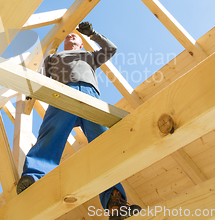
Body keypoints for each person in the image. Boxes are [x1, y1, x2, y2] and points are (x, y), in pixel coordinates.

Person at [16, 21, 141, 219]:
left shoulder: (89, 57)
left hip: (90, 96)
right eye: (68, 36)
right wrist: (32, 90)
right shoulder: (53, 58)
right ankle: (34, 178)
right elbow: (40, 76)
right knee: (51, 135)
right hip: (62, 93)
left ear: (82, 44)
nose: (70, 36)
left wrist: (93, 34)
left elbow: (111, 49)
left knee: (103, 145)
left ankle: (114, 203)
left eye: (75, 36)